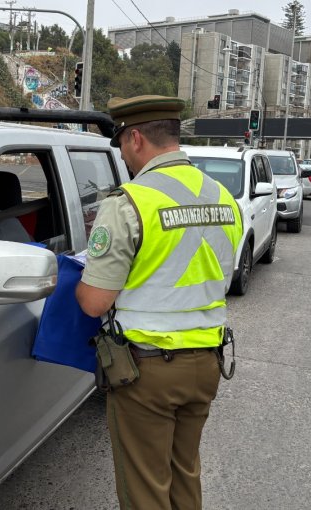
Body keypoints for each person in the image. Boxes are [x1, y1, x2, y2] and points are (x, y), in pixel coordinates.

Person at [75, 95, 243, 509]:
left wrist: (77, 281)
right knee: (184, 474)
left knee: (145, 489)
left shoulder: (130, 201)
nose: (124, 158)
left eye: (120, 147)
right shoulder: (223, 197)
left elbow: (95, 303)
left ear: (135, 139)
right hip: (207, 362)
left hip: (146, 369)